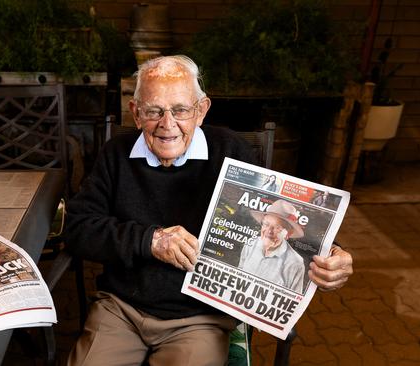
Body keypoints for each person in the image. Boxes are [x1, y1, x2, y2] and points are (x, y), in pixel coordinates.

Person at [64, 55, 353, 365]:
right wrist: (149, 240)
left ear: (201, 111)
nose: (167, 124)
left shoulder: (232, 152)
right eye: (153, 111)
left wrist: (331, 254)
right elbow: (77, 228)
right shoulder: (115, 155)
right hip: (120, 309)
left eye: (181, 110)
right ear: (136, 114)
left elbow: (276, 220)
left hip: (199, 318)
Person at [238, 199, 306, 293]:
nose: (269, 232)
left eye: (278, 227)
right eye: (266, 224)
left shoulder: (295, 263)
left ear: (288, 234)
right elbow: (239, 274)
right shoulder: (251, 243)